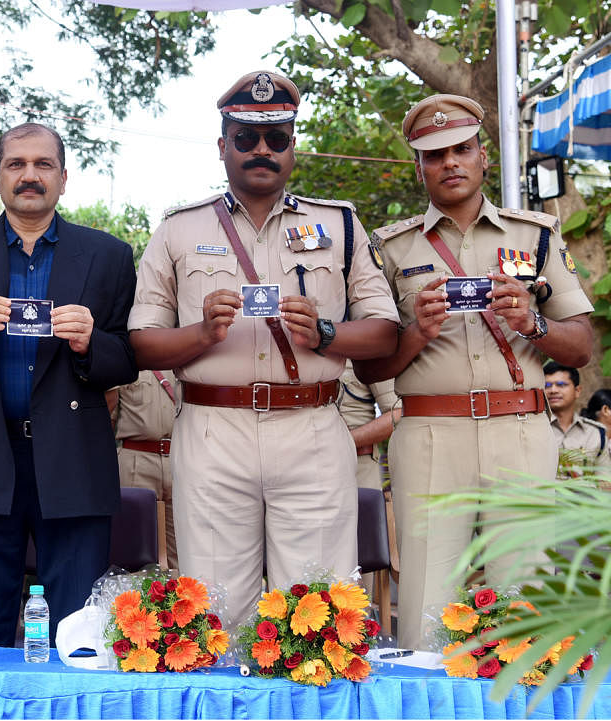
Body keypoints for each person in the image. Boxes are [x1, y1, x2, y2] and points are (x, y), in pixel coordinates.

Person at [128, 70, 399, 628]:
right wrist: (200, 334)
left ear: (293, 147)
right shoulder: (178, 229)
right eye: (246, 137)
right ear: (222, 145)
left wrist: (326, 333)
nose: (261, 150)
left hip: (312, 426)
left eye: (276, 138)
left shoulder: (339, 224)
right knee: (216, 609)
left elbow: (384, 332)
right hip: (211, 425)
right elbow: (140, 344)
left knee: (319, 615)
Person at [356, 94, 594, 647]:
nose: (450, 163)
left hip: (521, 429)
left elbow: (581, 346)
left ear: (484, 156)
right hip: (431, 431)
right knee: (425, 604)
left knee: (525, 593)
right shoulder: (391, 248)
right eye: (435, 155)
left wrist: (533, 323)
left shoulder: (533, 235)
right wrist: (416, 331)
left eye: (461, 149)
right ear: (419, 167)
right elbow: (369, 368)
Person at [0, 122, 137, 668]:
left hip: (73, 460)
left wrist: (91, 346)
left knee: (79, 634)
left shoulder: (108, 256)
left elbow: (130, 357)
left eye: (43, 165)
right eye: (16, 164)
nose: (29, 175)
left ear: (63, 178)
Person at [107, 369, 179, 569]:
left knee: (181, 552)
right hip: (136, 458)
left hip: (178, 457)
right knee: (133, 549)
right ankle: (132, 599)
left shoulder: (183, 353)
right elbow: (108, 411)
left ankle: (179, 598)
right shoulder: (127, 352)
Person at [337, 360, 398, 492]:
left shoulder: (368, 351)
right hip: (300, 466)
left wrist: (344, 441)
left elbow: (398, 415)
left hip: (359, 470)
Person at [544, 361, 610, 475]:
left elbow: (605, 482)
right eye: (547, 386)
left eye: (561, 384)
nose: (553, 390)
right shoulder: (532, 429)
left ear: (577, 391)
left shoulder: (595, 433)